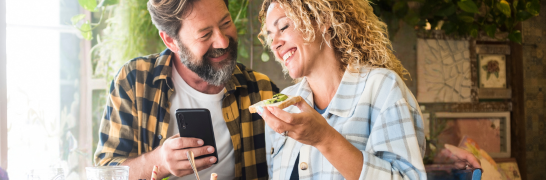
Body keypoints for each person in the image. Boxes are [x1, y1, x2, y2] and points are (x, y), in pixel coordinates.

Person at [256, 0, 480, 179]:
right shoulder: (282, 106)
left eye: (283, 27)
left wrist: (324, 138)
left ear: (323, 20)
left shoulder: (383, 89)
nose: (275, 43)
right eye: (269, 36)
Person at [93, 0, 279, 179]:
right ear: (171, 41)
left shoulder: (262, 91)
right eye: (205, 35)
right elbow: (104, 174)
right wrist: (160, 161)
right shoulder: (134, 81)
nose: (222, 42)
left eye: (226, 23)